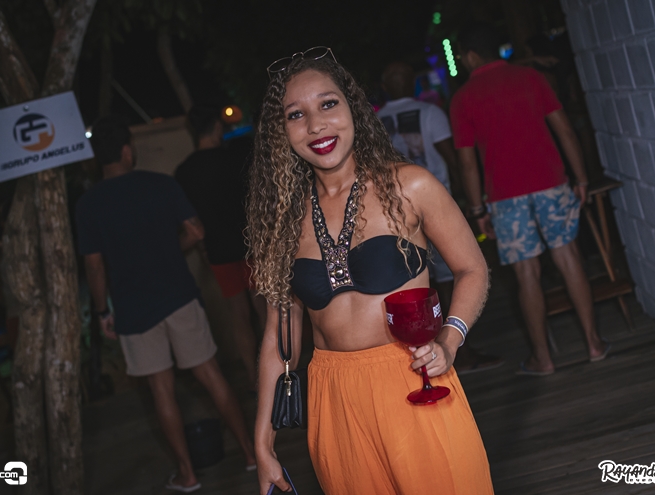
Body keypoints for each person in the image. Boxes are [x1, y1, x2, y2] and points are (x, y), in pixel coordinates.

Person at [248, 48, 493, 494]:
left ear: (353, 107)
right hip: (334, 398)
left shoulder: (410, 185)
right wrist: (263, 443)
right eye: (295, 114)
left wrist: (449, 340)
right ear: (281, 132)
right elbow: (278, 340)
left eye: (328, 104)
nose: (316, 125)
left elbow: (472, 268)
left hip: (414, 378)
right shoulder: (283, 221)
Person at [76, 116, 256, 493]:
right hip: (178, 296)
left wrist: (102, 310)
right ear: (127, 150)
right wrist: (170, 250)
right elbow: (196, 231)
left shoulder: (88, 205)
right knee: (211, 376)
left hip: (133, 309)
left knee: (162, 391)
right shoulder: (160, 184)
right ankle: (251, 454)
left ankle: (188, 475)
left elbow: (94, 266)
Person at [450, 23, 610, 376]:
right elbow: (564, 129)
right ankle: (594, 343)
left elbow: (467, 162)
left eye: (461, 56)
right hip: (551, 184)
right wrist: (581, 178)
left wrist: (477, 209)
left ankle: (543, 358)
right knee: (569, 259)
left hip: (505, 198)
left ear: (471, 55)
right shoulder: (530, 77)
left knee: (526, 275)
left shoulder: (463, 98)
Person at [378, 61, 504, 375]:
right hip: (432, 207)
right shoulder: (430, 112)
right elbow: (452, 156)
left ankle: (437, 351)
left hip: (393, 216)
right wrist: (463, 196)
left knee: (421, 285)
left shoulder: (376, 121)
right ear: (412, 82)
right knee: (446, 281)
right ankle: (458, 352)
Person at [175, 106, 266, 392]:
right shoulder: (236, 157)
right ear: (216, 126)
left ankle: (253, 377)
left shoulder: (185, 172)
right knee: (264, 311)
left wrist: (203, 250)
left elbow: (190, 219)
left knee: (238, 315)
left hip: (218, 251)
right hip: (251, 246)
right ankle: (274, 372)